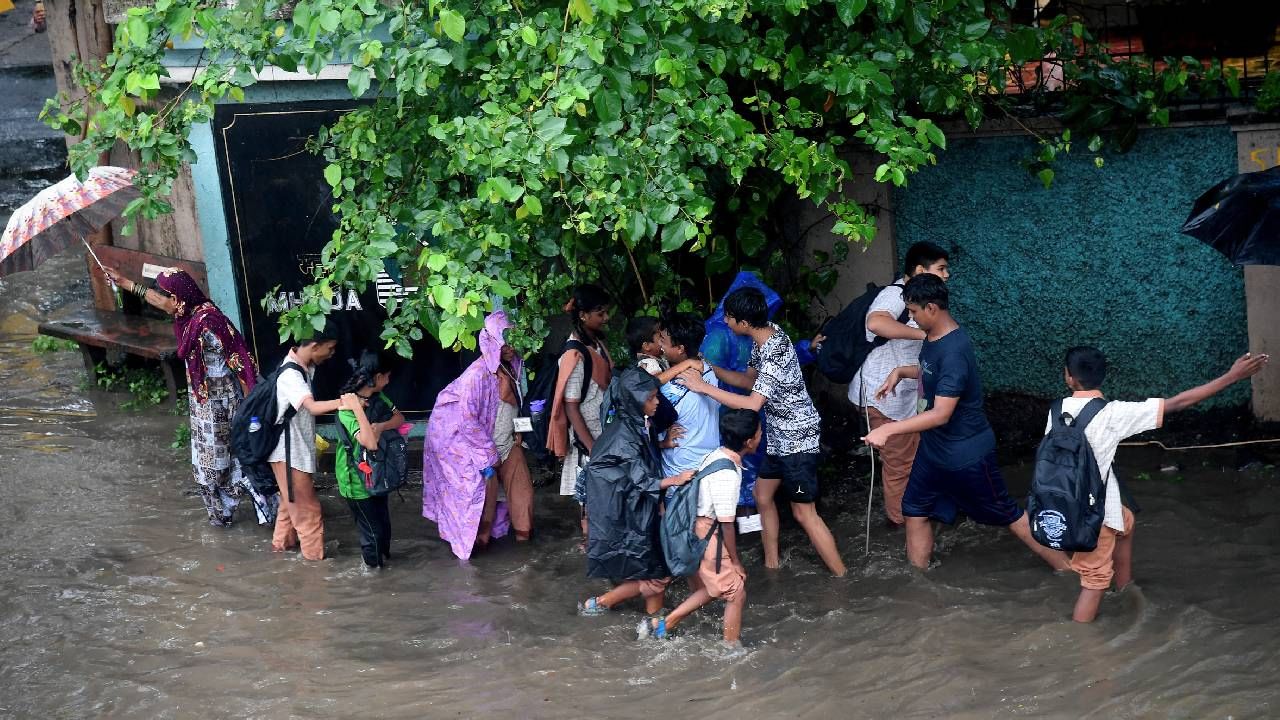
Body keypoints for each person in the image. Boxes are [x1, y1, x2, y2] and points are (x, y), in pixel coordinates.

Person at [862, 274, 1069, 572]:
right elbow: (930, 371)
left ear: (931, 308)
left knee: (1008, 513)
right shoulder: (932, 336)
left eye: (913, 311)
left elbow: (941, 413)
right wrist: (902, 372)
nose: (911, 317)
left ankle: (1068, 571)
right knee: (914, 510)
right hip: (933, 450)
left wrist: (888, 429)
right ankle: (916, 582)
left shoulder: (954, 351)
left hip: (965, 453)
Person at [1050, 346, 1268, 622]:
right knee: (1095, 581)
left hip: (1063, 501)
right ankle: (1080, 638)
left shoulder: (1056, 411)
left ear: (1068, 377)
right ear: (1103, 377)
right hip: (1094, 513)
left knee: (1126, 522)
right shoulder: (1114, 414)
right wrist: (1232, 376)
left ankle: (1125, 588)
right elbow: (1178, 403)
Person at [680, 287, 846, 576]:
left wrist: (702, 387)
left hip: (798, 440)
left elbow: (753, 403)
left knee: (803, 512)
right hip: (779, 437)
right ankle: (772, 566)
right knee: (761, 494)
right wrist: (710, 369)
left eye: (729, 318)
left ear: (744, 323)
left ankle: (841, 576)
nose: (725, 322)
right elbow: (748, 381)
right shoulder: (765, 334)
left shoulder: (774, 352)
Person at [102, 266, 272, 527]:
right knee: (212, 465)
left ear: (177, 299)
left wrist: (250, 415)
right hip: (203, 404)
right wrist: (124, 281)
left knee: (223, 464)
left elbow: (243, 368)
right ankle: (226, 517)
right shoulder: (187, 313)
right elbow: (159, 300)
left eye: (166, 298)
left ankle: (253, 510)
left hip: (223, 405)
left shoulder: (210, 323)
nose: (162, 304)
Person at [576, 368, 695, 617]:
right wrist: (676, 480)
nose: (657, 401)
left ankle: (649, 621)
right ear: (635, 401)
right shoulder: (625, 433)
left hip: (629, 500)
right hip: (620, 504)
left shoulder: (635, 422)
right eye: (651, 398)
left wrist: (662, 444)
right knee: (656, 573)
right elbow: (642, 479)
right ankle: (608, 605)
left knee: (654, 569)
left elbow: (639, 456)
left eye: (656, 395)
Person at [848, 241, 950, 529]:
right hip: (882, 395)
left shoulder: (918, 297)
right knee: (900, 462)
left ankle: (914, 513)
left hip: (900, 392)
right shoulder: (895, 295)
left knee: (911, 456)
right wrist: (925, 336)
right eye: (941, 269)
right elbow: (876, 323)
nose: (946, 275)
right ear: (920, 270)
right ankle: (903, 523)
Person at [639, 409, 761, 644]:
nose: (761, 435)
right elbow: (727, 524)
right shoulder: (727, 474)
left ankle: (664, 623)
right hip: (706, 531)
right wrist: (736, 561)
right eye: (759, 433)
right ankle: (730, 649)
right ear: (748, 442)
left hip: (691, 526)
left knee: (714, 586)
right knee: (735, 590)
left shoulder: (716, 455)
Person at [423, 311, 530, 558]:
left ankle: (526, 546)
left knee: (523, 495)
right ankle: (478, 548)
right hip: (477, 448)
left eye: (513, 340)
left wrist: (520, 430)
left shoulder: (514, 366)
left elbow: (518, 404)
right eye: (504, 341)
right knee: (481, 507)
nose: (510, 347)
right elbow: (467, 420)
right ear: (492, 342)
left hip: (507, 442)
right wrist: (488, 455)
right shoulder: (476, 376)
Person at [270, 328, 342, 561]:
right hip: (289, 454)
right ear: (314, 346)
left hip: (290, 452)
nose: (331, 354)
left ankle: (279, 556)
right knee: (309, 514)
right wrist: (345, 402)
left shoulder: (302, 367)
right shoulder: (291, 375)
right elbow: (312, 407)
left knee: (289, 508)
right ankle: (315, 570)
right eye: (330, 348)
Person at [547, 284, 614, 532]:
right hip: (588, 436)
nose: (606, 318)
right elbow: (571, 406)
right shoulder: (574, 354)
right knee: (589, 498)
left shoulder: (595, 342)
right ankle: (589, 540)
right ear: (583, 315)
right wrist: (592, 447)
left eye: (606, 312)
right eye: (600, 313)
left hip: (601, 429)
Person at [335, 350, 406, 568]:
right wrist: (357, 408)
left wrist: (381, 426)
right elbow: (370, 442)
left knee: (384, 527)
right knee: (372, 534)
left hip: (378, 474)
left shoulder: (378, 397)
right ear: (377, 377)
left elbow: (400, 418)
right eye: (387, 376)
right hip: (355, 481)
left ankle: (384, 570)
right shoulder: (346, 409)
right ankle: (374, 574)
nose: (389, 381)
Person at [658, 313, 722, 480]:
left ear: (680, 349)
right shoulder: (707, 369)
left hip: (680, 472)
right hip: (711, 463)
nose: (659, 344)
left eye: (663, 340)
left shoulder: (669, 388)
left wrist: (661, 444)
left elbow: (643, 430)